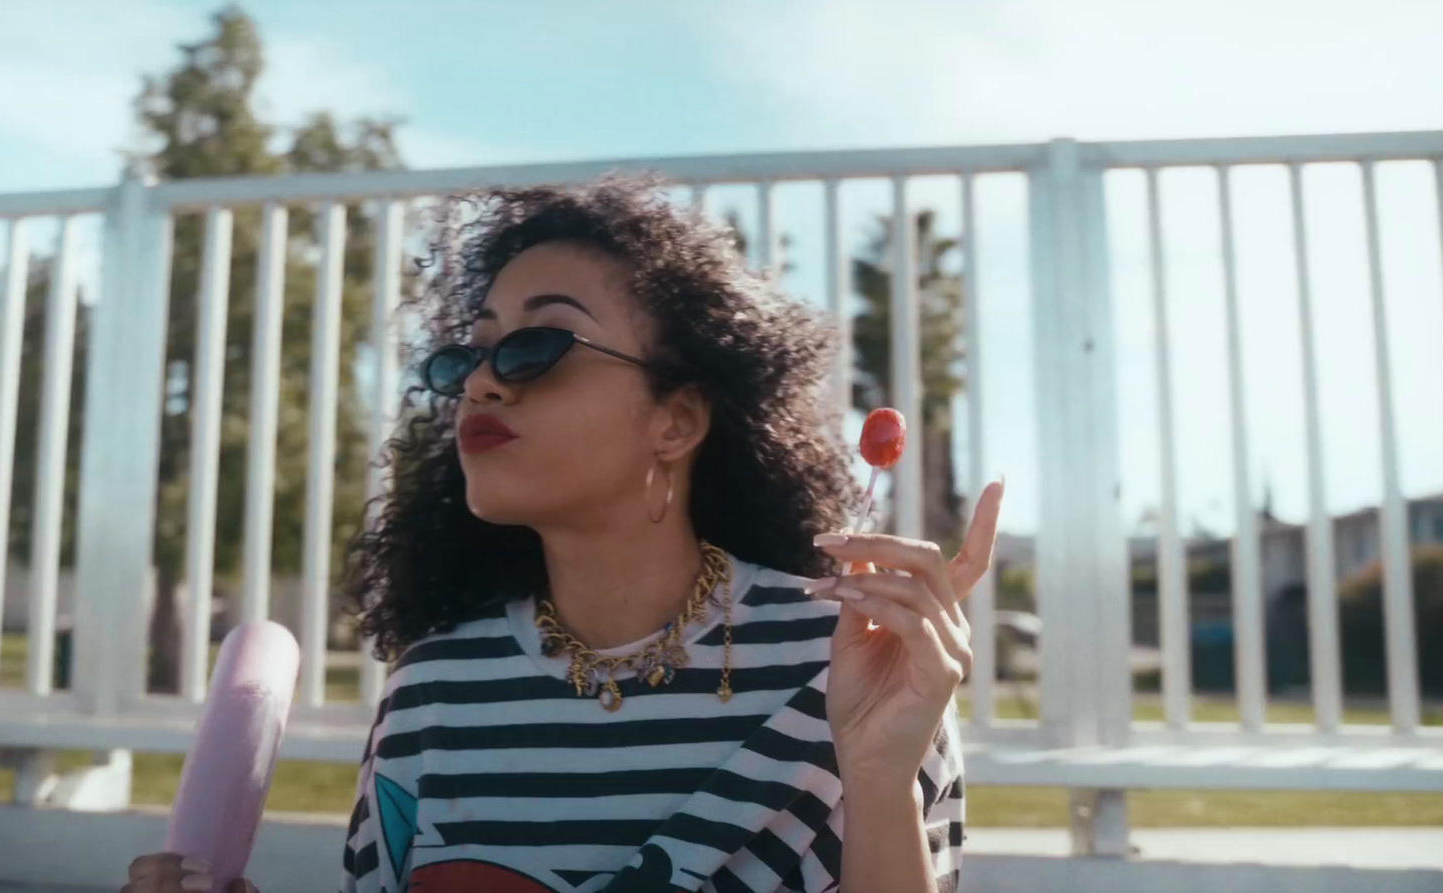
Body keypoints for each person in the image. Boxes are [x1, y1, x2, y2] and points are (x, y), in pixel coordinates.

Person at [124, 176, 1003, 893]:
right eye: (469, 354)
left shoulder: (853, 660)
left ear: (678, 418)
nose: (482, 386)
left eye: (536, 346)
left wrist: (881, 777)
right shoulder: (435, 685)